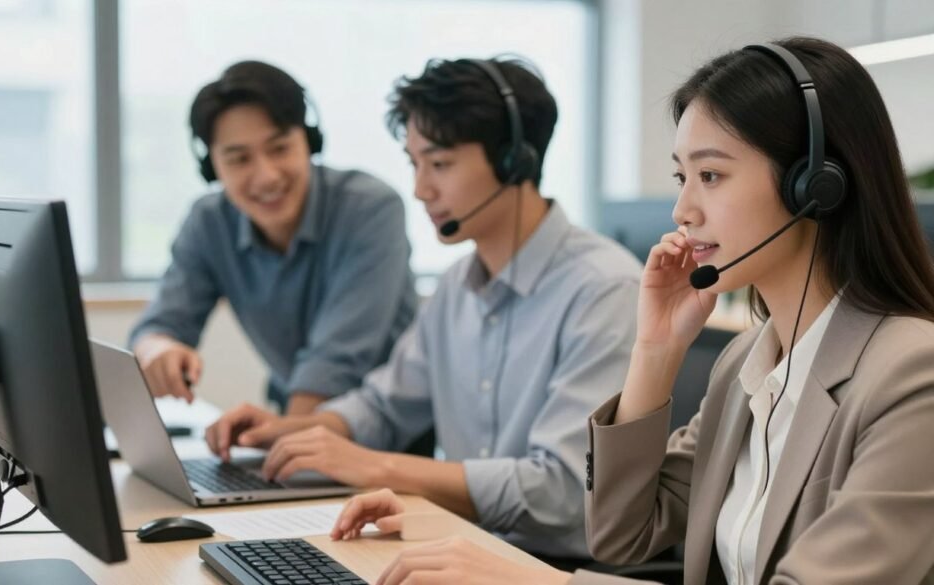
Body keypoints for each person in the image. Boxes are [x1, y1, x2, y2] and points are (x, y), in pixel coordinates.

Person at [333, 37, 934, 584]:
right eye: (681, 177)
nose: (683, 210)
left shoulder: (912, 378)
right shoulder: (748, 363)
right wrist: (655, 352)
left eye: (710, 174)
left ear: (815, 184)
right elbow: (622, 535)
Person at [204, 56, 642, 558]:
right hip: (462, 549)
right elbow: (383, 405)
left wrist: (378, 468)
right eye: (414, 164)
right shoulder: (458, 286)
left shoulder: (603, 291)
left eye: (439, 164)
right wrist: (288, 432)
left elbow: (562, 491)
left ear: (513, 160)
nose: (420, 189)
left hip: (555, 569)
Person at [129, 61, 417, 415]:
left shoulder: (370, 208)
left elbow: (336, 361)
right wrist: (158, 350)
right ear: (211, 168)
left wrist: (284, 440)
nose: (265, 176)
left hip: (390, 432)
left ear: (309, 142)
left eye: (279, 149)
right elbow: (159, 326)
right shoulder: (209, 222)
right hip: (297, 421)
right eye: (239, 159)